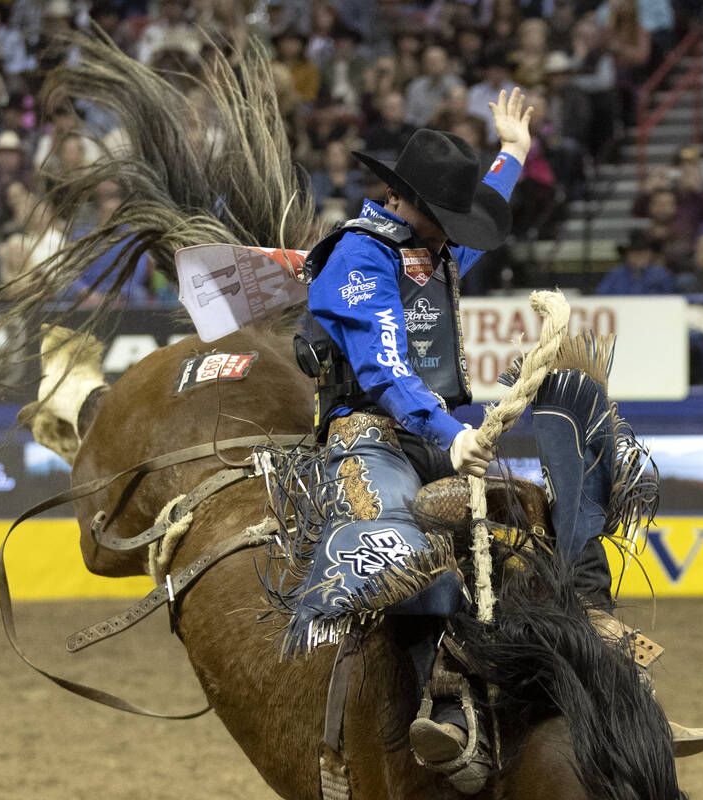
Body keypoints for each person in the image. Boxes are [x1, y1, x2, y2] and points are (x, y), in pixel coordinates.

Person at [298, 90, 532, 794]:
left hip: (437, 431)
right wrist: (449, 433)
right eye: (445, 218)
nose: (452, 236)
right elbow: (384, 364)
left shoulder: (427, 237)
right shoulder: (359, 261)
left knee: (530, 523)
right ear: (406, 202)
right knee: (410, 543)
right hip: (367, 431)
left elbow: (479, 207)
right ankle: (443, 703)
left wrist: (513, 151)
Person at [596, 229, 676, 295]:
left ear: (650, 254)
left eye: (642, 252)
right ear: (627, 255)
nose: (639, 256)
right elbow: (601, 297)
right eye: (635, 252)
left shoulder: (661, 274)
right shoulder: (615, 275)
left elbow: (671, 298)